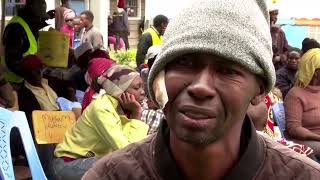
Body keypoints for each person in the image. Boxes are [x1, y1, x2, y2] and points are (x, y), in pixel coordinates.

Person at [83, 0, 320, 179]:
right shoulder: (111, 175)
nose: (200, 87)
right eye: (185, 63)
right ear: (159, 76)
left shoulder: (302, 176)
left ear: (259, 90)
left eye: (228, 70)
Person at [52, 64, 149, 179]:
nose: (143, 92)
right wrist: (137, 113)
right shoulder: (102, 108)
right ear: (119, 91)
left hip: (89, 160)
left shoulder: (123, 108)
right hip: (68, 164)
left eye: (142, 87)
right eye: (137, 88)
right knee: (121, 168)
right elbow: (126, 151)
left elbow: (132, 148)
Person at [16, 55, 59, 177]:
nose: (40, 72)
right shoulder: (25, 93)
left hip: (62, 122)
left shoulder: (46, 84)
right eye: (35, 69)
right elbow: (36, 120)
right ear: (27, 74)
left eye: (41, 68)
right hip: (47, 129)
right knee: (45, 145)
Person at [1, 0, 52, 84]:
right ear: (30, 15)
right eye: (39, 17)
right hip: (12, 82)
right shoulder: (16, 29)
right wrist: (31, 75)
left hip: (24, 79)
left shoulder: (27, 23)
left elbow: (34, 27)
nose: (40, 19)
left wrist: (47, 16)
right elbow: (12, 61)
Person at [285, 48, 320, 161]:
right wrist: (318, 137)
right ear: (315, 72)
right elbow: (294, 128)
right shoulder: (295, 94)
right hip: (306, 140)